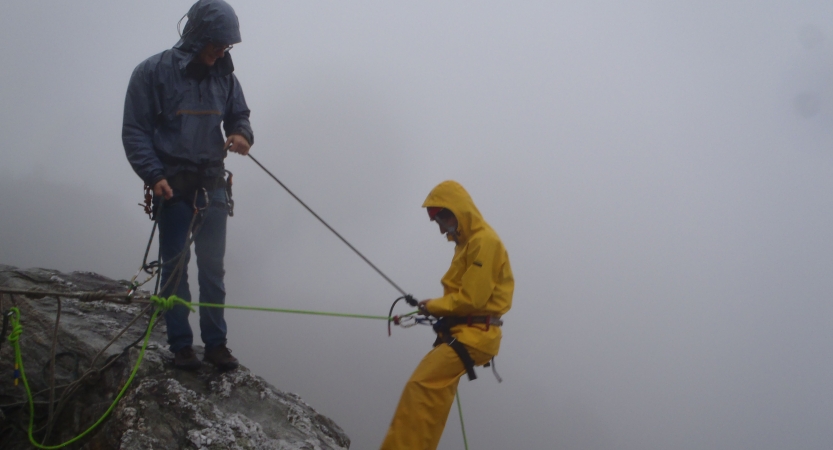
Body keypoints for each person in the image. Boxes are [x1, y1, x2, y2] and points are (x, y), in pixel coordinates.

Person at [122, 0, 253, 371]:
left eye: (226, 46)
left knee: (213, 268)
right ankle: (181, 345)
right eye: (216, 44)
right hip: (172, 187)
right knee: (175, 267)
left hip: (212, 185)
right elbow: (135, 130)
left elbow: (239, 114)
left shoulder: (225, 76)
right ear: (196, 36)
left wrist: (241, 134)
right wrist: (154, 175)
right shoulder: (152, 72)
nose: (220, 52)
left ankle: (216, 345)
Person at [381, 180, 514, 450]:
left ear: (457, 211)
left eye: (441, 218)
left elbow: (472, 299)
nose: (441, 228)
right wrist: (439, 310)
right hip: (465, 333)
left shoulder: (483, 242)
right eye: (437, 221)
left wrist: (434, 306)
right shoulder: (467, 244)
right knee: (433, 398)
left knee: (421, 387)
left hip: (475, 335)